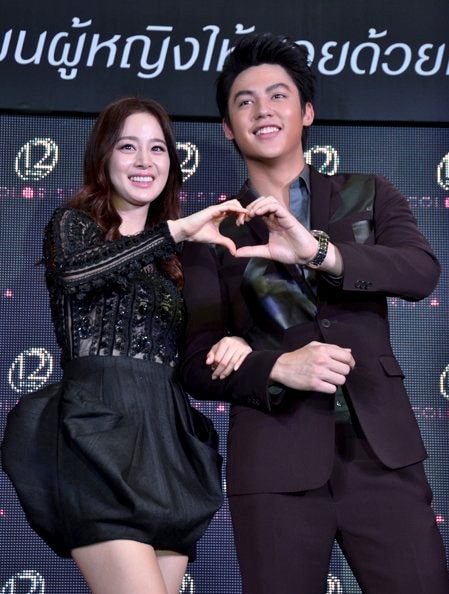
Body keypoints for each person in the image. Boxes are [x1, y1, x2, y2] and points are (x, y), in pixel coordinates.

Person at [179, 33, 449, 594]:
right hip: (275, 466)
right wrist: (277, 366)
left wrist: (319, 252)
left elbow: (420, 272)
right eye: (245, 101)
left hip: (382, 455)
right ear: (228, 127)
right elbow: (196, 363)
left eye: (278, 96)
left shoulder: (368, 195)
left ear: (306, 113)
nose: (263, 110)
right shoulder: (212, 231)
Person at [1, 96, 251, 594]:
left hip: (167, 443)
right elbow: (76, 276)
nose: (144, 161)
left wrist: (238, 339)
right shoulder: (73, 225)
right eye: (127, 147)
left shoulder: (180, 259)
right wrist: (175, 231)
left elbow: (200, 343)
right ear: (103, 157)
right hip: (96, 435)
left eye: (157, 148)